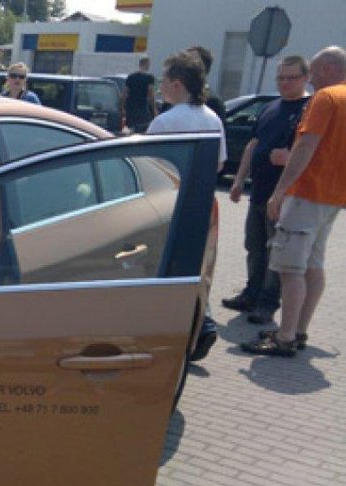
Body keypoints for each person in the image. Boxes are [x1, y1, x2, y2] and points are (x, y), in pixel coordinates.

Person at [242, 46, 346, 357]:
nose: (311, 79)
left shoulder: (326, 98)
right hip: (332, 198)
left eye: (313, 72)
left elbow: (306, 146)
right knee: (313, 264)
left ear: (327, 69)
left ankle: (285, 337)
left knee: (290, 268)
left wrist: (280, 191)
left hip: (306, 194)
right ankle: (299, 330)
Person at [148, 50, 227, 362]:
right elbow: (219, 164)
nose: (160, 87)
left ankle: (176, 332)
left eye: (163, 80)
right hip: (203, 206)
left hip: (168, 206)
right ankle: (201, 325)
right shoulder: (212, 118)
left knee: (166, 271)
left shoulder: (165, 121)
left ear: (177, 84)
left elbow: (148, 166)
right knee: (196, 270)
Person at [223, 56, 311, 325]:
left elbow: (312, 152)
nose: (285, 83)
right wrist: (239, 179)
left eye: (291, 77)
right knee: (254, 246)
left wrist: (288, 158)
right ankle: (251, 294)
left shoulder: (309, 109)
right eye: (281, 77)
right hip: (259, 192)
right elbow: (253, 144)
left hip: (285, 196)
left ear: (306, 78)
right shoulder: (271, 107)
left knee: (276, 252)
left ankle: (267, 303)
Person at [123, 57, 158, 132]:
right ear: (147, 65)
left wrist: (122, 106)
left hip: (131, 107)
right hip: (142, 107)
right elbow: (151, 94)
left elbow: (125, 93)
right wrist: (154, 109)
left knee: (131, 128)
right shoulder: (149, 78)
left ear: (139, 64)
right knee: (143, 127)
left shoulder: (131, 77)